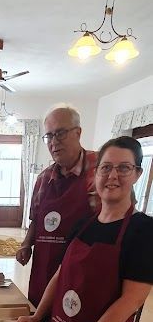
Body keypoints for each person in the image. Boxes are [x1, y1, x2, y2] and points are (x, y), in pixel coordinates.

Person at [16, 136, 153, 322]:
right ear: (96, 173)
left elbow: (132, 300)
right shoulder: (83, 224)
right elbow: (59, 275)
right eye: (105, 167)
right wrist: (37, 315)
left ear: (138, 174)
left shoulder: (143, 231)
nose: (113, 176)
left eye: (123, 168)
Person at [17, 105, 97, 309]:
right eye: (49, 136)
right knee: (38, 321)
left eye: (60, 133)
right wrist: (26, 244)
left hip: (82, 269)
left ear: (78, 133)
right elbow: (37, 218)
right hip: (43, 267)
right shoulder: (44, 178)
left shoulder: (99, 170)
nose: (53, 142)